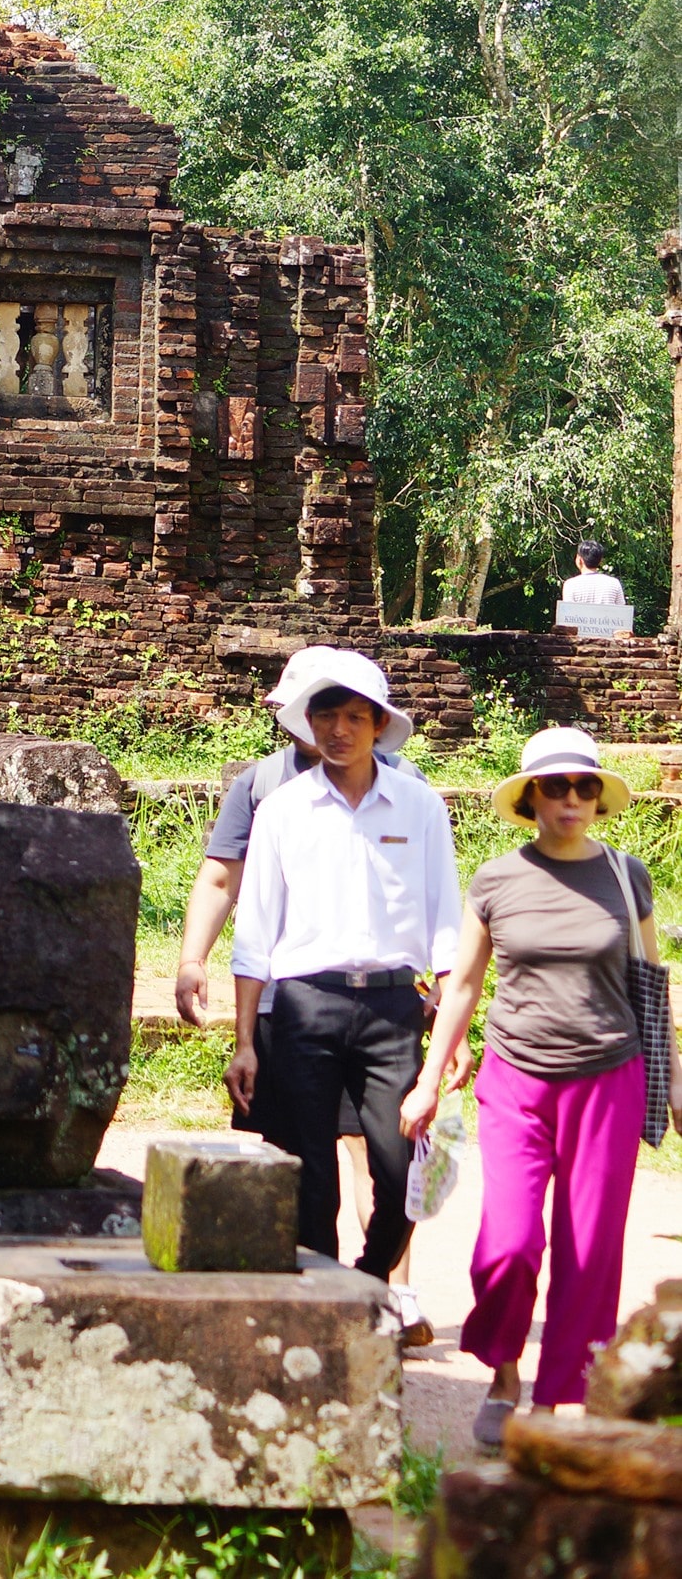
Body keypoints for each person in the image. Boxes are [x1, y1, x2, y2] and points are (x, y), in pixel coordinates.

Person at [401, 726, 682, 1444]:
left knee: (590, 1249)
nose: (570, 799)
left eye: (583, 786)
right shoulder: (497, 879)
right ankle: (501, 1371)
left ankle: (556, 1399)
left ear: (599, 797)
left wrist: (675, 1085)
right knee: (511, 1241)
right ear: (530, 797)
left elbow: (654, 990)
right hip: (517, 1077)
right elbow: (462, 986)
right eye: (555, 786)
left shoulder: (627, 875)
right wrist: (431, 1077)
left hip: (608, 1080)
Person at [177, 645, 458, 1342]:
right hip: (303, 1006)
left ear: (378, 724)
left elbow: (448, 924)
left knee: (398, 1172)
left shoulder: (418, 805)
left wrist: (450, 1035)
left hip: (394, 1006)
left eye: (353, 717)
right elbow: (256, 930)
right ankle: (327, 1318)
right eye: (325, 715)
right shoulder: (281, 806)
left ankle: (369, 1283)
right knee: (309, 1180)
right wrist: (245, 1041)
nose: (338, 730)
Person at [561, 540, 625, 607]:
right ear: (600, 561)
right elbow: (622, 613)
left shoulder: (570, 585)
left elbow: (568, 613)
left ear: (579, 560)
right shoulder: (614, 583)